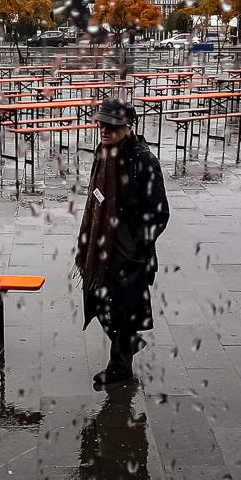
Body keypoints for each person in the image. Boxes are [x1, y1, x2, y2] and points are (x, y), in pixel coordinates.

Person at [74, 96, 170, 385]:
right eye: (101, 125)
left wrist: (135, 245)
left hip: (128, 253)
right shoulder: (103, 153)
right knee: (97, 300)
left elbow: (160, 212)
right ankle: (128, 343)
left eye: (112, 126)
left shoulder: (143, 161)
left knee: (121, 310)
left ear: (128, 127)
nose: (104, 130)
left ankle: (120, 367)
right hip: (100, 246)